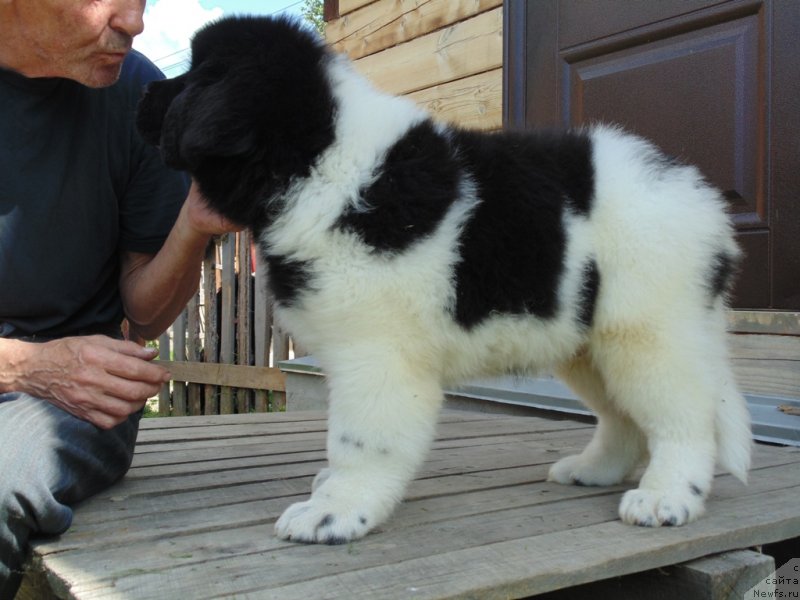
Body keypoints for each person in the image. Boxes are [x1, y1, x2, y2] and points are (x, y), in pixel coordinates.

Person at [0, 1, 241, 596]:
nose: (133, 21)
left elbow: (145, 311)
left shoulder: (138, 93)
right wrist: (28, 366)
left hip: (70, 401)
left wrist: (193, 224)